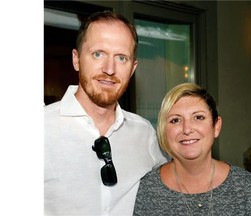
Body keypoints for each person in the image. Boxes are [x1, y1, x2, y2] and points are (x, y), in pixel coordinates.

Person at [44, 11, 167, 215]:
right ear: (76, 60)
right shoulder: (39, 128)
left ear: (133, 68)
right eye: (98, 54)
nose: (109, 69)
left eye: (121, 58)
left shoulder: (144, 134)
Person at [133, 83, 251, 216]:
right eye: (175, 120)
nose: (187, 129)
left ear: (216, 126)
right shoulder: (146, 190)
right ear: (164, 130)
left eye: (198, 117)